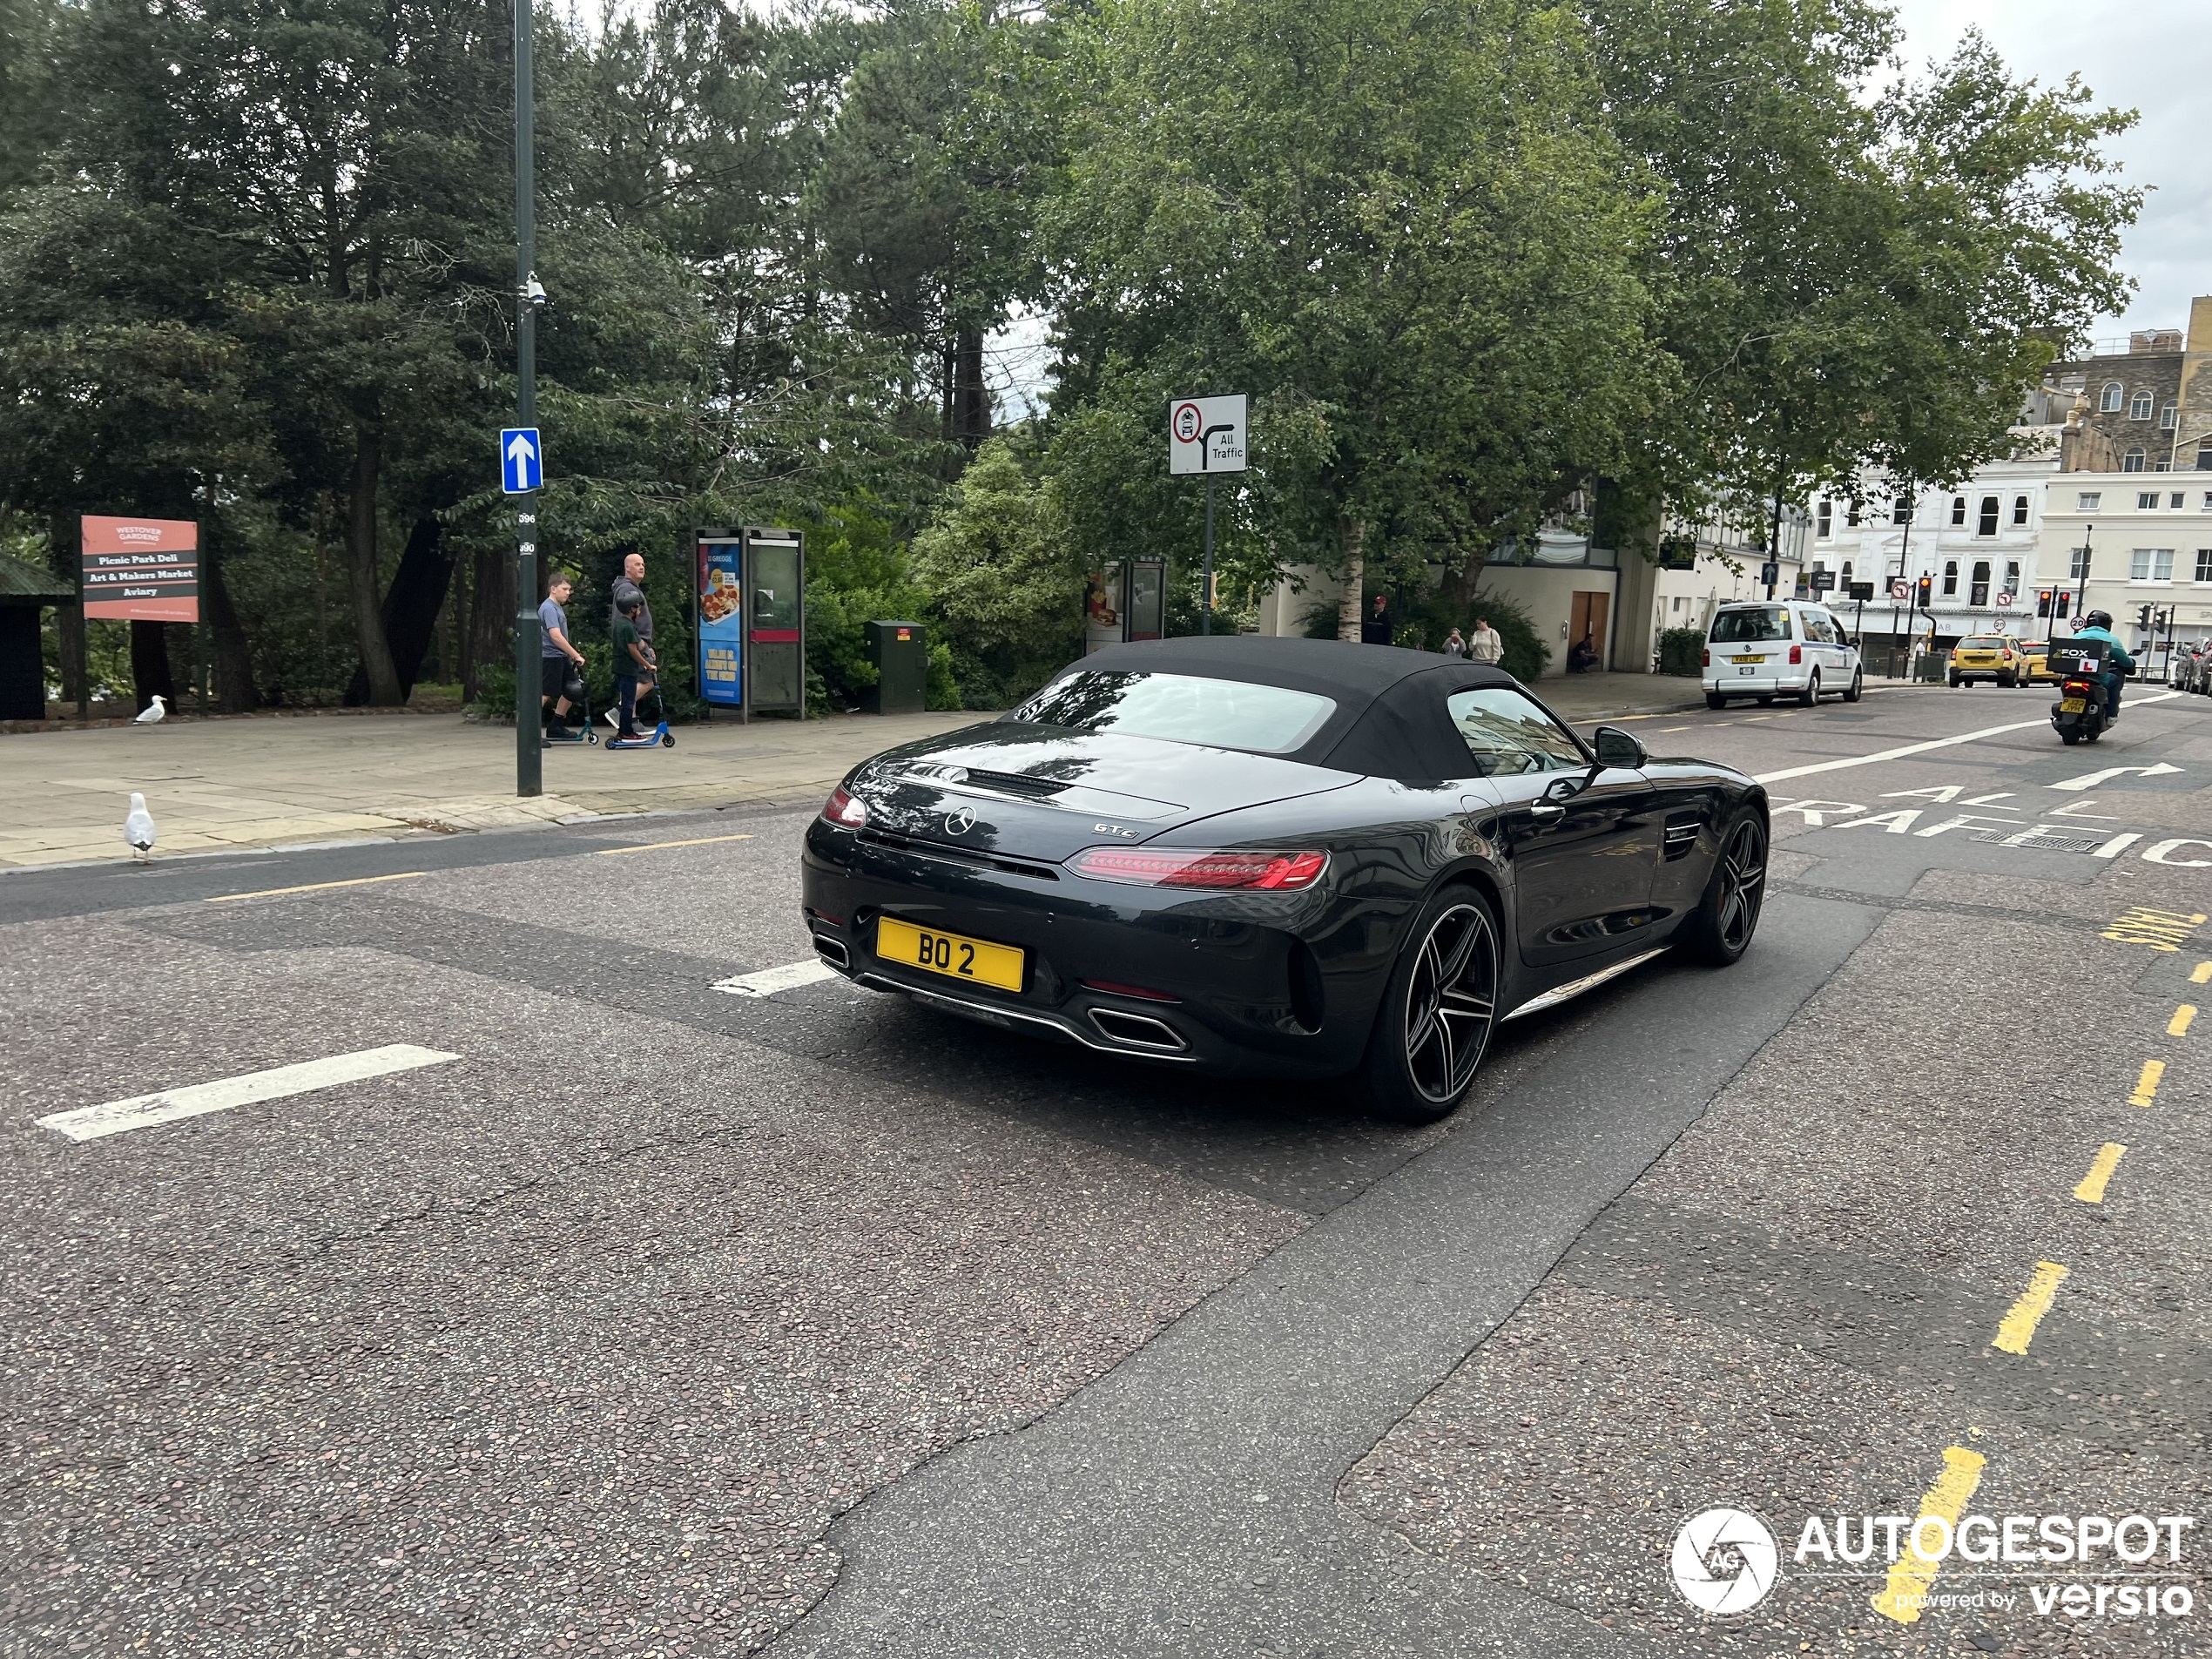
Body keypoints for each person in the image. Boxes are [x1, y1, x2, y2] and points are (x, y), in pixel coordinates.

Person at [539, 572, 586, 736]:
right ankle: (530, 732)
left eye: (569, 590)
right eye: (564, 589)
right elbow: (556, 636)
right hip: (551, 657)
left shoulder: (556, 607)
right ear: (553, 589)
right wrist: (575, 654)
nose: (568, 592)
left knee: (572, 690)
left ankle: (556, 726)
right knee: (545, 693)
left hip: (560, 656)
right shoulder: (549, 608)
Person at [2068, 610, 2134, 722]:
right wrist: (2131, 664)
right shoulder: (2111, 640)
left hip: (2072, 676)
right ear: (2107, 625)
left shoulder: (2076, 637)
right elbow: (2125, 662)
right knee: (2115, 680)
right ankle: (2111, 714)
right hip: (2097, 678)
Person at [610, 593, 656, 739]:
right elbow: (633, 650)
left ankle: (626, 731)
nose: (640, 609)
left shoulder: (620, 623)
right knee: (628, 702)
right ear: (632, 609)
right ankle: (625, 732)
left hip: (619, 666)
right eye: (638, 606)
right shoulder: (629, 626)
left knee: (627, 700)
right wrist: (647, 665)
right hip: (628, 668)